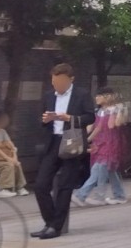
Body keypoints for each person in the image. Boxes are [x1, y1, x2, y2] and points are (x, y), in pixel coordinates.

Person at [31, 63, 96, 238]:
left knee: (65, 186)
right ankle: (50, 222)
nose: (56, 86)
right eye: (54, 82)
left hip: (72, 142)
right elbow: (40, 118)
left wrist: (69, 118)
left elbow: (90, 117)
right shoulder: (48, 96)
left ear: (70, 80)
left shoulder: (81, 95)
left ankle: (55, 227)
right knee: (40, 185)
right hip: (52, 142)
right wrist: (45, 119)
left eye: (60, 82)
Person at [73, 88, 130, 207]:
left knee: (98, 169)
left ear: (108, 96)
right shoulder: (99, 111)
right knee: (110, 171)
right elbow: (97, 128)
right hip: (99, 144)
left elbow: (112, 125)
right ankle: (119, 195)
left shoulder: (116, 110)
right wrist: (85, 140)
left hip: (111, 144)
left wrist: (118, 111)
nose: (96, 98)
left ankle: (84, 195)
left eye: (99, 96)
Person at [0, 107, 29, 197]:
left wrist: (14, 158)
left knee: (16, 164)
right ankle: (3, 189)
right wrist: (8, 159)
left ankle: (19, 187)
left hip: (3, 158)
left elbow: (12, 146)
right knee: (8, 165)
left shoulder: (3, 132)